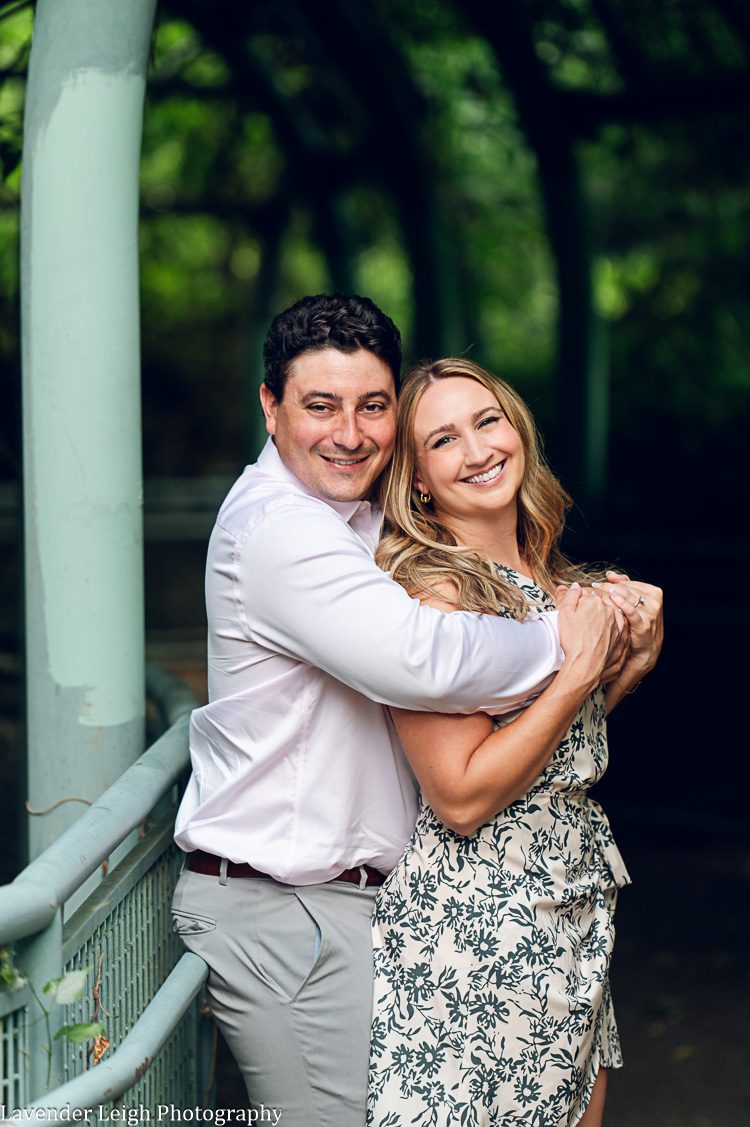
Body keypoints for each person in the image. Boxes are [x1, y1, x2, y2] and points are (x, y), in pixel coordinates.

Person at [170, 295, 628, 1126]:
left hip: (349, 903)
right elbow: (427, 662)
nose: (349, 432)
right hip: (291, 908)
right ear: (270, 407)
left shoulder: (352, 519)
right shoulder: (281, 530)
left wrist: (603, 628)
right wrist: (575, 642)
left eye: (371, 405)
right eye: (320, 405)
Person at [367, 358, 663, 1127]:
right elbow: (461, 795)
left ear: (517, 427)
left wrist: (627, 662)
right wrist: (580, 672)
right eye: (443, 439)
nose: (477, 449)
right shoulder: (433, 592)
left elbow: (556, 751)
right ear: (418, 479)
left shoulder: (545, 572)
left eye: (487, 420)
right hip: (482, 922)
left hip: (572, 898)